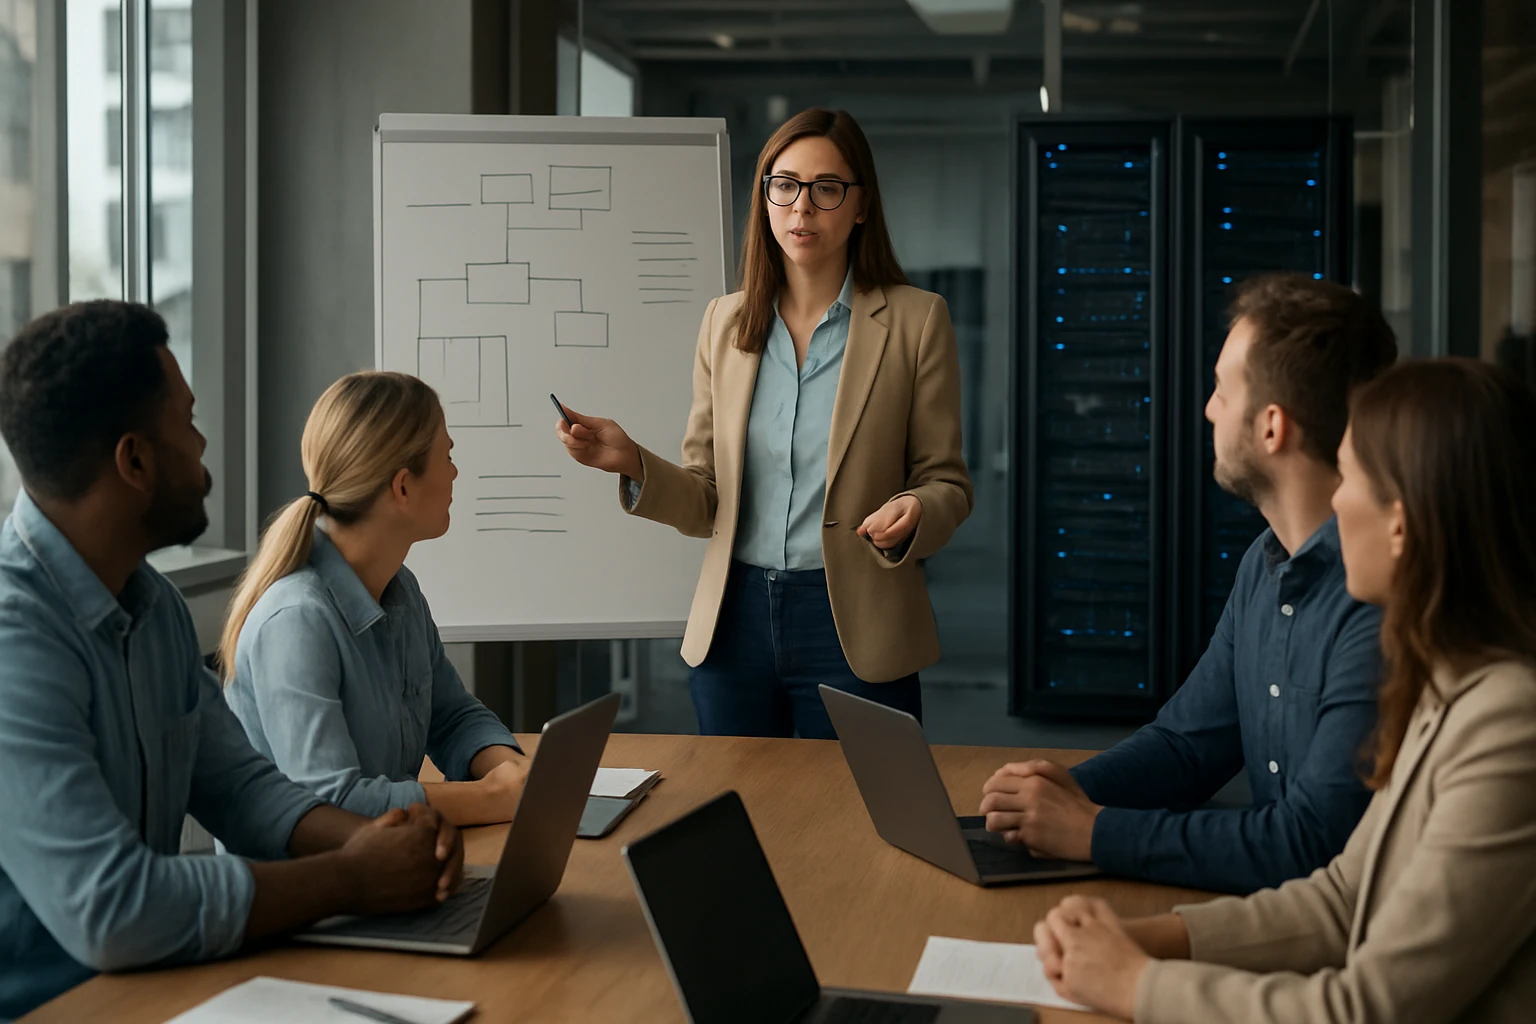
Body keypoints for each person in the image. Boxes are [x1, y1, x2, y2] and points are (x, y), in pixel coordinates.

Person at [1031, 358, 1536, 1024]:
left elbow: (1364, 1009)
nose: (1337, 501)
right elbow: (1340, 898)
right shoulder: (1447, 687)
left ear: (1401, 523)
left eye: (1352, 476)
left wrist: (1136, 984)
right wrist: (1158, 937)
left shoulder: (1508, 724)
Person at [0, 302, 464, 1019]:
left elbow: (243, 789)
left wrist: (386, 844)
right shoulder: (14, 641)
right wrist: (351, 878)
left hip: (160, 984)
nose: (203, 441)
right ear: (135, 461)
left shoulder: (147, 602)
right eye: (186, 422)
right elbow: (112, 908)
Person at [555, 107, 974, 739]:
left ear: (860, 205)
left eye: (826, 189)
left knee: (852, 823)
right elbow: (705, 502)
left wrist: (917, 508)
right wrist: (634, 463)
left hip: (854, 619)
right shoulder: (725, 323)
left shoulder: (916, 322)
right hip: (735, 621)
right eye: (784, 185)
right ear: (765, 197)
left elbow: (948, 482)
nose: (801, 207)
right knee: (740, 820)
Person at [980, 274, 1398, 893]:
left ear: (1271, 428)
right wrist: (1062, 793)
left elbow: (1312, 843)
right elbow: (1186, 746)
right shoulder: (1264, 563)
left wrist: (1090, 831)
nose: (1207, 408)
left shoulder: (1374, 603)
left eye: (1223, 392)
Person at [222, 372, 529, 826]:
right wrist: (492, 798)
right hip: (308, 890)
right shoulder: (295, 621)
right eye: (447, 456)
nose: (455, 471)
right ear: (403, 487)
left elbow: (452, 716)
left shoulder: (399, 587)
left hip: (389, 867)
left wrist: (513, 771)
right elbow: (331, 801)